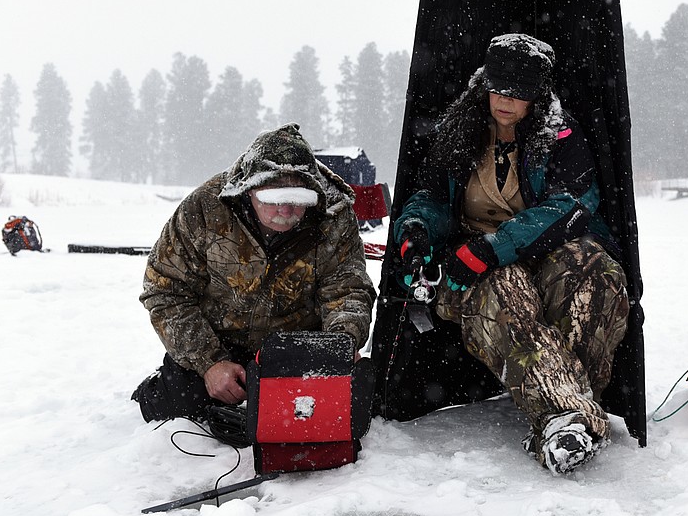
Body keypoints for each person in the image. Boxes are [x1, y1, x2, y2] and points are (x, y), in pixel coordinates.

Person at [393, 33, 630, 475]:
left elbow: (572, 205)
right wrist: (417, 231)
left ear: (536, 97)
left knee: (596, 276)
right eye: (498, 88)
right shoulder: (457, 131)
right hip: (472, 262)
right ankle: (564, 417)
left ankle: (569, 407)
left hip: (545, 248)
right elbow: (429, 197)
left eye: (518, 94)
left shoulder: (562, 135)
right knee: (506, 290)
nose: (505, 100)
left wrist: (495, 247)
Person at [132, 123, 376, 427]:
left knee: (327, 417)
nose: (286, 211)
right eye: (274, 200)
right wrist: (210, 363)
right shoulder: (204, 209)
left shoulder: (334, 216)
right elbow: (165, 290)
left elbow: (347, 289)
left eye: (298, 201)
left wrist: (338, 346)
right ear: (249, 191)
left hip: (299, 347)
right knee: (176, 407)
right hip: (221, 343)